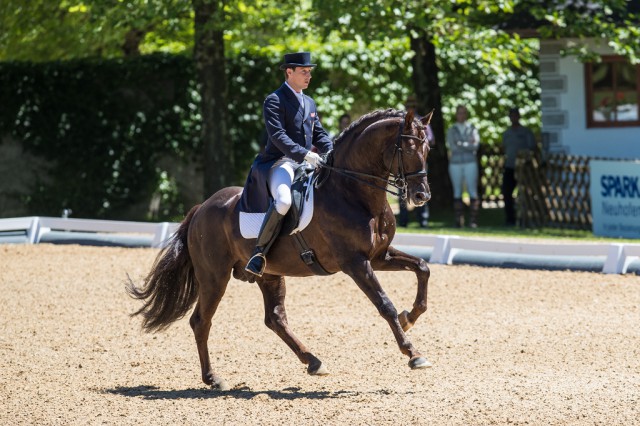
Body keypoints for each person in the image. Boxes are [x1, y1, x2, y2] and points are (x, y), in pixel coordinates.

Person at [243, 52, 333, 277]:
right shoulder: (274, 99)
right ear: (289, 72)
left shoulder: (309, 102)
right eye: (304, 72)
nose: (308, 76)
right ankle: (259, 253)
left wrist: (331, 151)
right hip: (280, 162)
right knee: (283, 200)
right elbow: (278, 136)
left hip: (305, 164)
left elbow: (319, 133)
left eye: (309, 72)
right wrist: (304, 154)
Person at [398, 95, 434, 228]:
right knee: (401, 191)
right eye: (408, 105)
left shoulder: (421, 121)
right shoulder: (401, 120)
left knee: (421, 187)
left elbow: (431, 138)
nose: (410, 108)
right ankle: (403, 220)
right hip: (404, 162)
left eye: (412, 106)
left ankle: (422, 220)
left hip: (418, 161)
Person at [446, 105, 480, 228]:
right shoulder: (452, 129)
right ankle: (458, 220)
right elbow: (452, 146)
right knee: (457, 191)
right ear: (456, 114)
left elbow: (475, 145)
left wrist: (460, 144)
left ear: (466, 114)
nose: (461, 115)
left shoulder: (472, 128)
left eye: (463, 113)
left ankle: (473, 221)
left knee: (472, 190)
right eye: (459, 113)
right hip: (455, 163)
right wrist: (467, 144)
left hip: (470, 162)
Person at [501, 107, 536, 226]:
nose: (514, 118)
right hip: (510, 166)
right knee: (506, 192)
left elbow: (532, 148)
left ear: (519, 117)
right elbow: (504, 148)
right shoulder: (506, 133)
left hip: (523, 168)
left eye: (516, 115)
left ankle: (525, 218)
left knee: (524, 193)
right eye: (512, 116)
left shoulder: (526, 132)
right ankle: (510, 218)